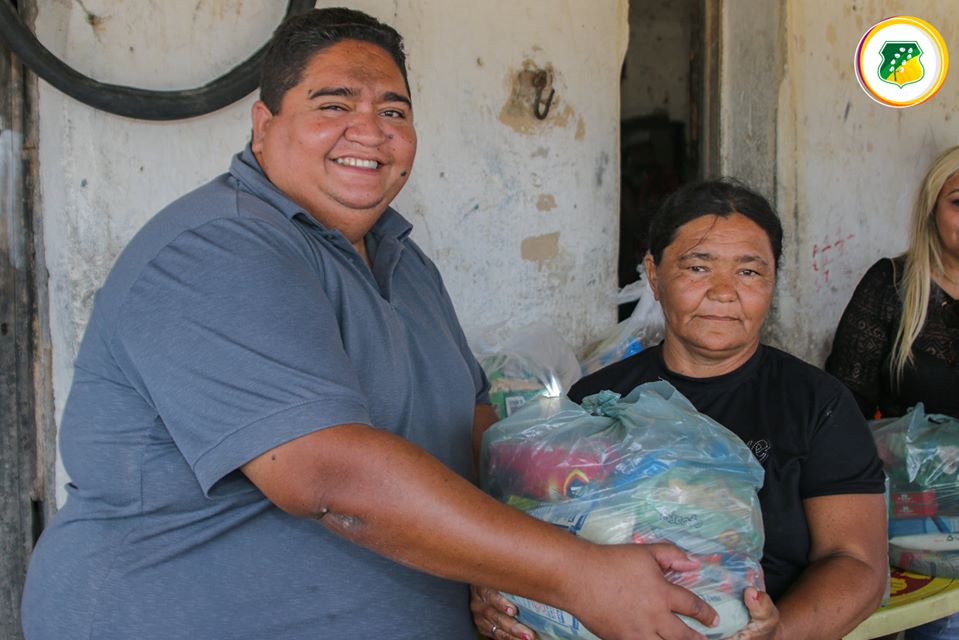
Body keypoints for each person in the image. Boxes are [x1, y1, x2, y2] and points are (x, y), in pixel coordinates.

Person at [20, 8, 721, 640]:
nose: (370, 130)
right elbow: (329, 476)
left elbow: (473, 424)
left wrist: (578, 515)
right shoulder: (217, 248)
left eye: (393, 110)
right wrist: (573, 572)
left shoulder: (402, 259)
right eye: (333, 104)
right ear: (264, 126)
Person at [472, 179, 888, 640]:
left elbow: (858, 564)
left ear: (773, 280)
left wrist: (779, 635)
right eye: (697, 267)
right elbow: (535, 530)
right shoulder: (597, 399)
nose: (723, 291)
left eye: (749, 272)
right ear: (654, 274)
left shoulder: (816, 404)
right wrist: (497, 587)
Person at [826, 146, 959, 640]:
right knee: (940, 626)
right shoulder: (892, 285)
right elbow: (844, 405)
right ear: (932, 209)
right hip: (916, 508)